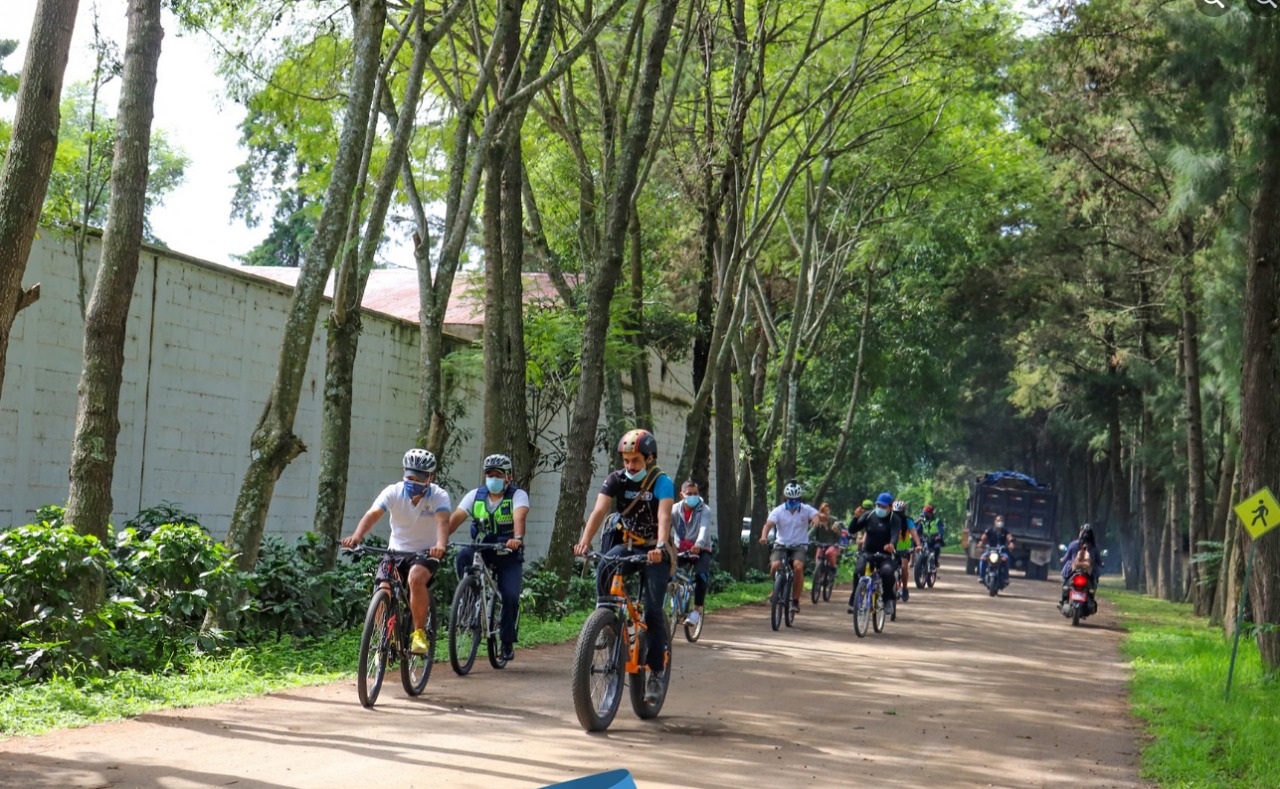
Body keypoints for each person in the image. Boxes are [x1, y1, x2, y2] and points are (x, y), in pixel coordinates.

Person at [575, 428, 675, 704]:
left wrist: (659, 546)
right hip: (628, 543)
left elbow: (664, 516)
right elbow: (599, 511)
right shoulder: (615, 480)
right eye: (626, 460)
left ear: (649, 459)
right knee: (606, 564)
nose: (630, 466)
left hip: (655, 548)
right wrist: (584, 542)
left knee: (653, 610)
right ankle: (605, 618)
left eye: (636, 461)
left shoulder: (662, 482)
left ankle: (655, 671)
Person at [341, 448, 451, 655]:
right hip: (395, 551)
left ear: (430, 477)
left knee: (416, 579)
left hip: (426, 553)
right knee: (383, 587)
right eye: (410, 475)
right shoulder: (393, 491)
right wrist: (357, 536)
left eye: (419, 477)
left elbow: (442, 520)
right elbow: (373, 514)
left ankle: (419, 633)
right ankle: (385, 632)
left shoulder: (439, 496)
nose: (414, 480)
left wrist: (441, 544)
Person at [442, 453, 528, 663]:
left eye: (498, 474)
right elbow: (454, 520)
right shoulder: (475, 496)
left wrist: (516, 538)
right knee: (463, 556)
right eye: (489, 474)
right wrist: (440, 541)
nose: (493, 478)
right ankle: (469, 595)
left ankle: (506, 642)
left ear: (508, 477)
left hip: (507, 551)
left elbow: (519, 517)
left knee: (510, 595)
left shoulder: (518, 496)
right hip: (483, 546)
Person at [758, 480, 824, 615]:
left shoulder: (805, 509)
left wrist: (817, 518)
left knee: (798, 566)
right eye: (790, 498)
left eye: (795, 499)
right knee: (775, 565)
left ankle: (795, 600)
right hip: (781, 544)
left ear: (799, 498)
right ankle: (776, 587)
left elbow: (817, 515)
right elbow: (768, 525)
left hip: (799, 545)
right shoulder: (778, 510)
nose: (792, 501)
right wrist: (764, 536)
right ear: (785, 497)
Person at [847, 492, 903, 615]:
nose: (880, 509)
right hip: (868, 552)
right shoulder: (869, 515)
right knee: (858, 572)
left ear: (890, 506)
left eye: (883, 507)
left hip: (885, 555)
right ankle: (854, 600)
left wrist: (891, 545)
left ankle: (888, 599)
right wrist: (855, 518)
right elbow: (852, 529)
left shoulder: (895, 519)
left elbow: (895, 535)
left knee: (887, 572)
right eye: (878, 505)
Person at [672, 479, 714, 627]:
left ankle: (696, 611)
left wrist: (698, 544)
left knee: (701, 575)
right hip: (681, 549)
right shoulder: (675, 509)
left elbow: (704, 529)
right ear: (682, 495)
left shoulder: (705, 510)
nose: (693, 496)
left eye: (695, 494)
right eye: (689, 494)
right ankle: (679, 591)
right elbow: (665, 525)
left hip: (701, 549)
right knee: (666, 571)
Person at [1059, 523, 1104, 603]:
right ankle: (1091, 598)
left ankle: (1064, 599)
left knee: (1065, 578)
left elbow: (1066, 558)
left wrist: (1062, 560)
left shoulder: (1073, 545)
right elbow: (1099, 562)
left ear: (1081, 533)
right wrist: (1101, 564)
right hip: (1088, 572)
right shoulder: (1095, 547)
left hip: (1074, 570)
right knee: (1095, 580)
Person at [892, 500, 922, 598]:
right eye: (895, 513)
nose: (897, 515)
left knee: (904, 567)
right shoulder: (889, 520)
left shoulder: (908, 521)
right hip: (891, 548)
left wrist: (918, 545)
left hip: (904, 549)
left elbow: (914, 533)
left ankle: (904, 588)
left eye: (899, 513)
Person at [977, 515, 1015, 587]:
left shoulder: (1005, 531)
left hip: (1001, 552)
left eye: (1001, 521)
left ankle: (1006, 577)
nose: (1000, 522)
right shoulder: (990, 530)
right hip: (990, 551)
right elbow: (983, 537)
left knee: (1006, 559)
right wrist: (981, 543)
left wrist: (1011, 543)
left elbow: (1009, 537)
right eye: (998, 521)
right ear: (995, 522)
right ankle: (981, 576)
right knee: (983, 558)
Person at [810, 502, 843, 576]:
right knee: (818, 560)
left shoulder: (834, 520)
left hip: (832, 544)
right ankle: (818, 579)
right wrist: (811, 540)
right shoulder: (818, 522)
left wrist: (836, 531)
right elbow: (810, 534)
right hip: (821, 544)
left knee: (829, 553)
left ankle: (834, 568)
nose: (826, 513)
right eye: (824, 511)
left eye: (828, 511)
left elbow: (839, 536)